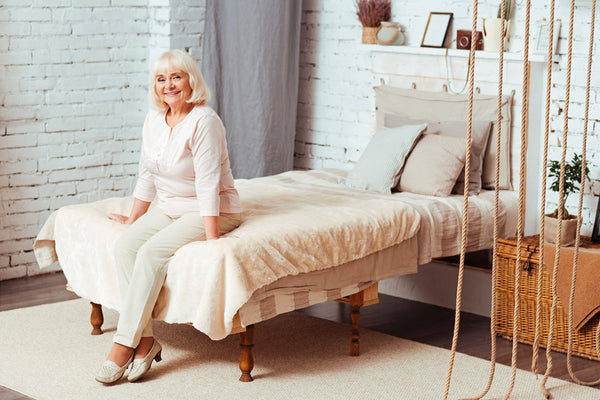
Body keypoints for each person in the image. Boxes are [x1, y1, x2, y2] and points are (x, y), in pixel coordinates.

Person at [95, 49, 242, 384]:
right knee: (125, 247)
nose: (169, 85)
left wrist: (212, 237)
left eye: (176, 76)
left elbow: (208, 183)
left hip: (214, 209)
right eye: (161, 79)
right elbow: (147, 174)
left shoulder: (204, 121)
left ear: (191, 80)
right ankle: (145, 342)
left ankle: (122, 344)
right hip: (172, 207)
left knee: (150, 254)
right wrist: (135, 218)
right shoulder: (153, 120)